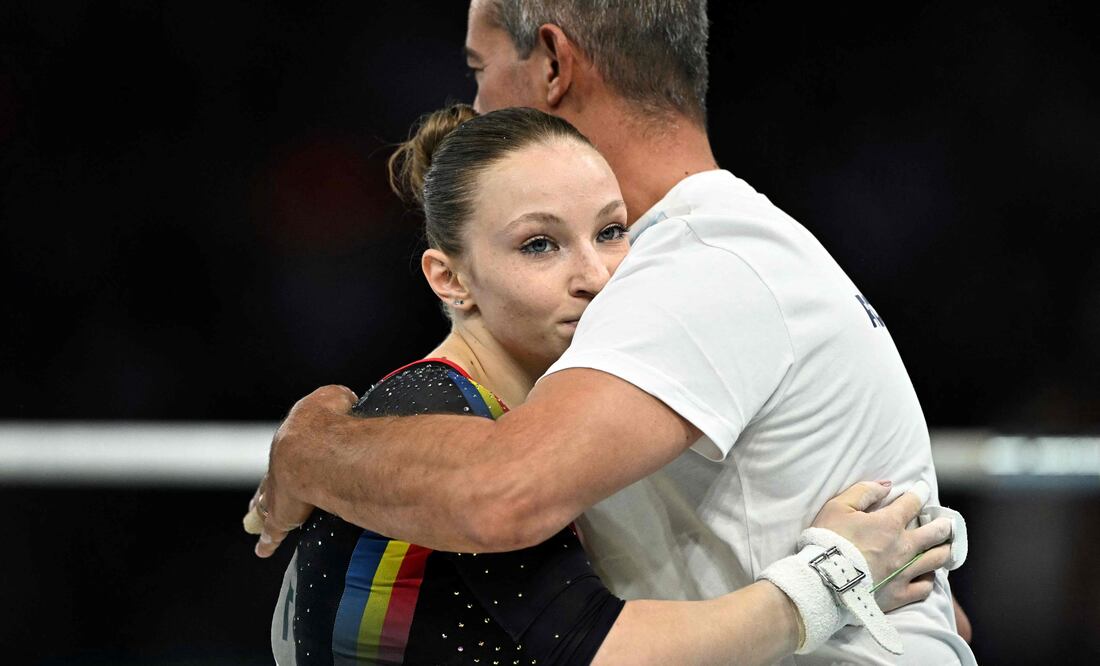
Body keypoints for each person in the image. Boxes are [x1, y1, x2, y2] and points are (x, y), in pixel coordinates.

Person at [249, 1, 976, 663]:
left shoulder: (697, 267)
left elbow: (500, 496)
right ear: (449, 277)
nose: (475, 108)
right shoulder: (717, 255)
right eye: (541, 243)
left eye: (479, 70)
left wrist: (311, 446)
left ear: (554, 63)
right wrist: (835, 587)